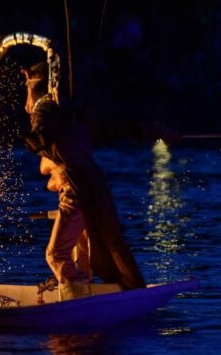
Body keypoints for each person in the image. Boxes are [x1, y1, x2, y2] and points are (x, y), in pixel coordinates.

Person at [21, 61, 179, 297]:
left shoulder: (49, 114)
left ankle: (76, 301)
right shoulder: (74, 119)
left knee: (56, 254)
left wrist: (158, 131)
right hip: (87, 192)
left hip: (78, 193)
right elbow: (118, 128)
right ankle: (83, 290)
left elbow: (117, 128)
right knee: (81, 255)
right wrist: (156, 130)